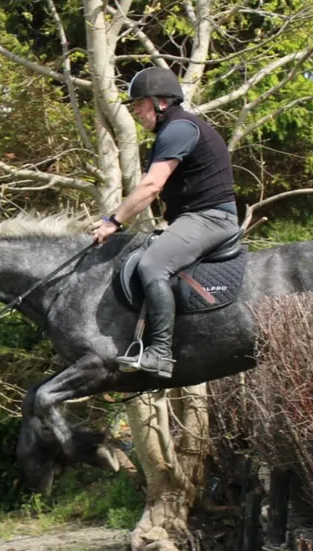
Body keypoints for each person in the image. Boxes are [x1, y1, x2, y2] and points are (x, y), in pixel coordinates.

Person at [93, 66, 240, 379]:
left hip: (211, 219)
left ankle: (160, 353)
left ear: (160, 102)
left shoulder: (179, 128)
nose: (135, 110)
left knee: (152, 266)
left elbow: (151, 186)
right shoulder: (174, 130)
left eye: (139, 103)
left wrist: (113, 221)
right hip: (196, 217)